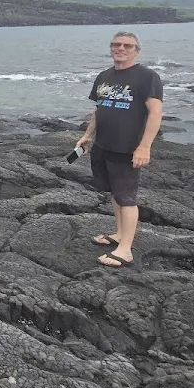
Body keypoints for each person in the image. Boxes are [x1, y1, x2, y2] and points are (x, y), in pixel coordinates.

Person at [75, 31, 163, 268]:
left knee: (127, 198)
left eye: (127, 45)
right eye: (116, 44)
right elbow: (99, 109)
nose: (121, 48)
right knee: (115, 193)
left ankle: (125, 250)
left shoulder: (147, 77)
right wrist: (87, 135)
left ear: (136, 51)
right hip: (103, 145)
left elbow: (155, 112)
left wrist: (144, 147)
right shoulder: (104, 76)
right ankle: (119, 234)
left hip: (127, 148)